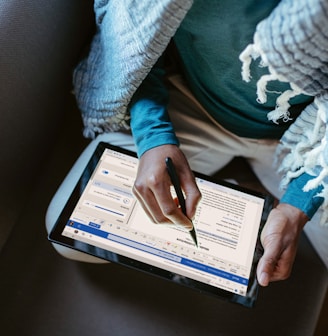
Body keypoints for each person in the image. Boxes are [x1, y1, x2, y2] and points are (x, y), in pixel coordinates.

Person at [48, 0, 328, 285]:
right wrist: (153, 137)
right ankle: (241, 197)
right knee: (71, 225)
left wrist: (297, 206)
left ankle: (245, 199)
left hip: (309, 142)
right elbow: (134, 39)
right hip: (196, 106)